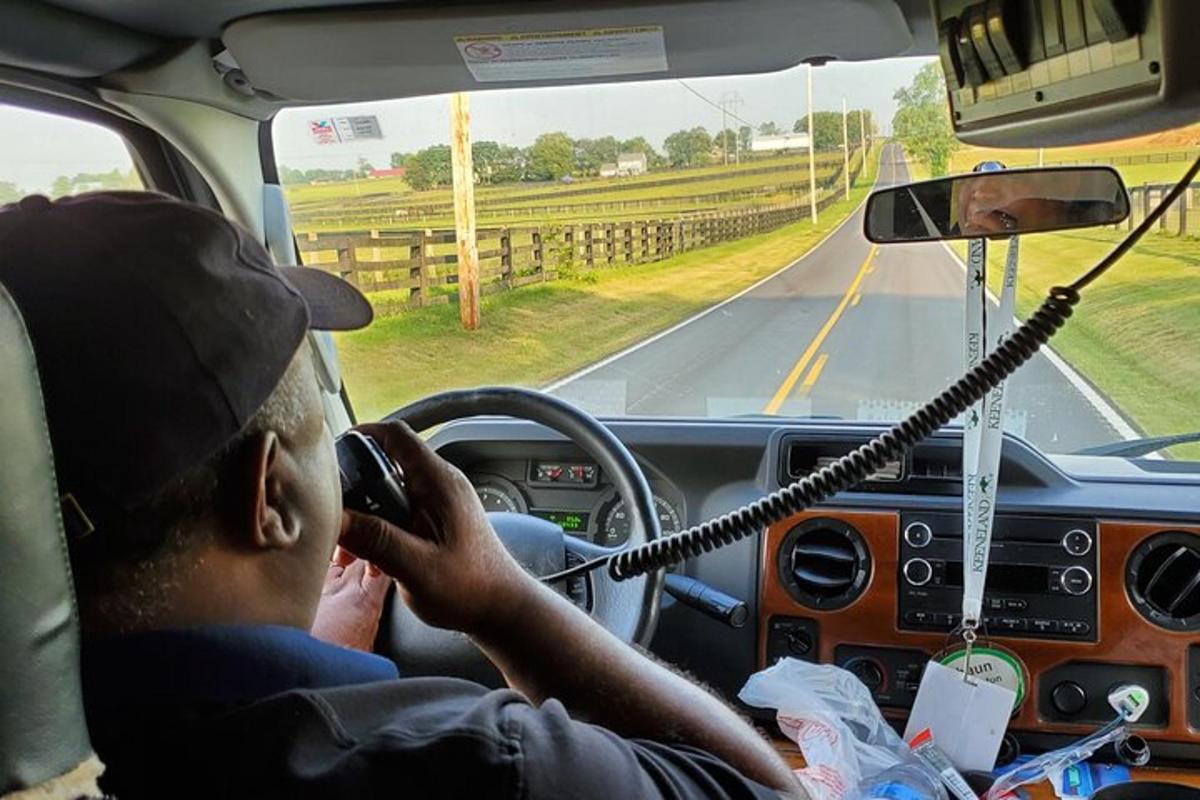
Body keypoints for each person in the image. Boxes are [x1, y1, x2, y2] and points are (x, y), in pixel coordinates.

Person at [0, 192, 803, 799]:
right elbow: (769, 791)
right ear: (272, 496)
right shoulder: (474, 763)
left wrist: (310, 667)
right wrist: (504, 604)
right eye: (329, 437)